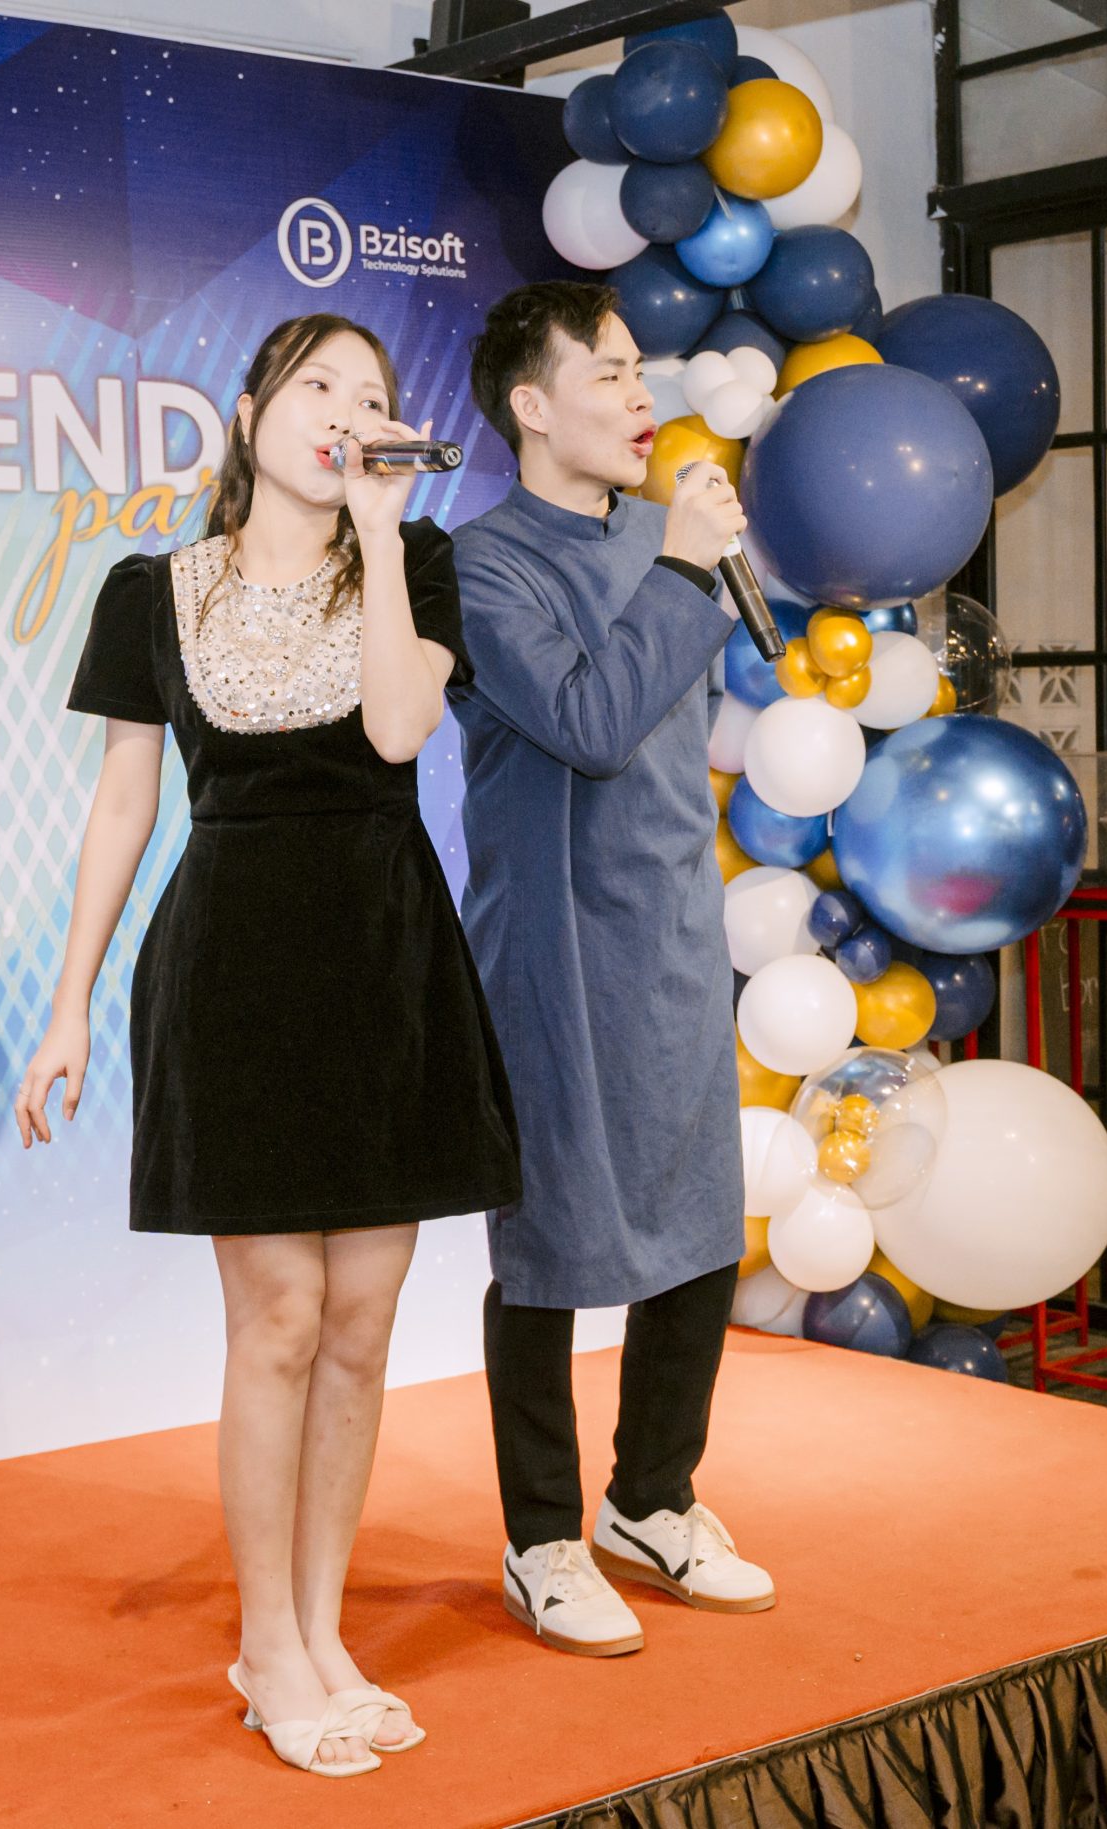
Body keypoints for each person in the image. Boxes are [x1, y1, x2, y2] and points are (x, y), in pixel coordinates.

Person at [14, 312, 520, 1777]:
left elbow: (400, 731)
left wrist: (382, 532)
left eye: (372, 394)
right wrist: (67, 1002)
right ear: (249, 416)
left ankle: (316, 1629)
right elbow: (123, 803)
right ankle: (268, 1644)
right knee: (281, 1314)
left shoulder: (418, 562)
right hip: (232, 959)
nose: (346, 412)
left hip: (383, 959)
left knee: (363, 1318)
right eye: (317, 387)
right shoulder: (149, 590)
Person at [448, 280, 777, 1657]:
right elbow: (587, 722)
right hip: (553, 949)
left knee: (698, 1217)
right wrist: (687, 572)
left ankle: (654, 1496)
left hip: (674, 930)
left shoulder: (663, 536)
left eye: (644, 371)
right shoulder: (479, 566)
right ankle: (542, 1534)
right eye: (612, 374)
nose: (645, 398)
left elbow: (678, 734)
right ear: (532, 404)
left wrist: (689, 562)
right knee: (547, 1239)